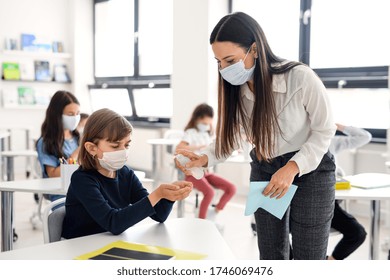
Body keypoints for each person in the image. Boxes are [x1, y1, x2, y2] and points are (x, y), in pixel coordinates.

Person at [176, 12, 336, 260]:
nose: (224, 69)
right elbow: (233, 136)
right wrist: (204, 158)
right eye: (219, 62)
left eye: (230, 60)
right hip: (264, 167)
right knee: (271, 253)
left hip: (311, 170)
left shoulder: (300, 77)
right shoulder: (237, 90)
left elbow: (325, 129)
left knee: (309, 257)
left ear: (255, 49)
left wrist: (293, 167)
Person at [61, 108, 192, 239]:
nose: (123, 151)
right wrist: (157, 194)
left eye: (127, 145)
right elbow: (114, 223)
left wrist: (168, 196)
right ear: (91, 148)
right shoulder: (82, 179)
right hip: (79, 247)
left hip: (109, 243)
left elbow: (159, 215)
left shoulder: (125, 173)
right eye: (115, 146)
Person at [175, 103, 236, 220]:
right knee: (210, 192)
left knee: (231, 188)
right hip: (193, 174)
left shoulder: (208, 134)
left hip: (207, 173)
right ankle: (201, 221)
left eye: (208, 124)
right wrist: (199, 147)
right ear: (197, 119)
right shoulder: (191, 133)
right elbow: (179, 148)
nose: (206, 126)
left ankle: (215, 211)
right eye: (204, 123)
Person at [327, 124, 371, 260]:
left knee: (358, 234)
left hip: (329, 204)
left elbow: (365, 137)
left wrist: (337, 125)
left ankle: (329, 261)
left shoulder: (331, 142)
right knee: (278, 235)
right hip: (299, 204)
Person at [36, 90, 81, 202]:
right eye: (70, 114)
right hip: (60, 193)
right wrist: (75, 154)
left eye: (78, 113)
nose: (75, 118)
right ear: (57, 115)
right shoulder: (46, 142)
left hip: (82, 188)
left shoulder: (78, 138)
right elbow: (53, 174)